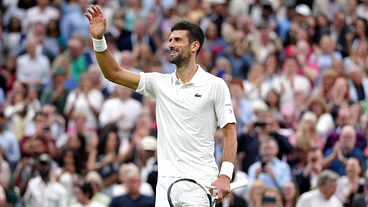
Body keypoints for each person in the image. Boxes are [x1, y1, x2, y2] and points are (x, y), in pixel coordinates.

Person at [85, 6, 237, 206]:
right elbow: (113, 73)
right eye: (170, 40)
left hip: (201, 183)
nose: (171, 44)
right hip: (166, 185)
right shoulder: (159, 83)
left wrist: (225, 175)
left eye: (177, 40)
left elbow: (229, 131)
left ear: (194, 46)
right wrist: (98, 39)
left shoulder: (215, 85)